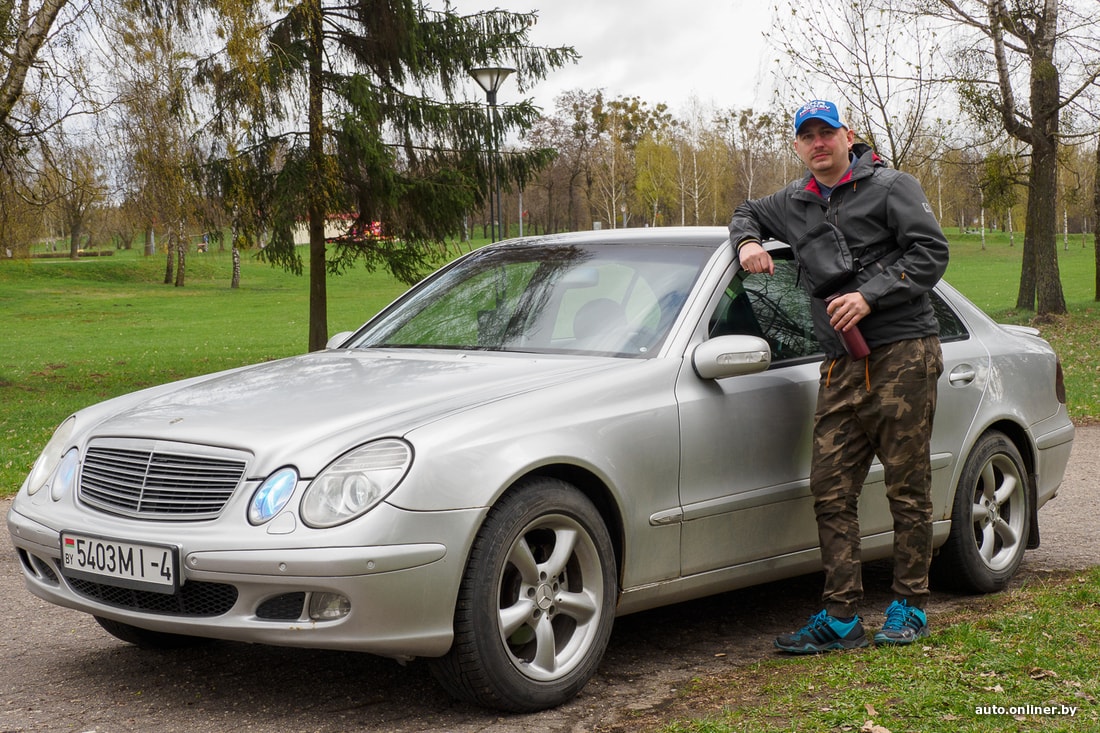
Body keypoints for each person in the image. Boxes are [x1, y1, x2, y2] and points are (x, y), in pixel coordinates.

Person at [728, 99, 950, 653]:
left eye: (827, 132)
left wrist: (869, 296)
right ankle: (843, 616)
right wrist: (749, 241)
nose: (818, 143)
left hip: (902, 353)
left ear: (848, 136)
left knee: (906, 485)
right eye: (807, 136)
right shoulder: (795, 200)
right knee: (830, 490)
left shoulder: (893, 186)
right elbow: (746, 210)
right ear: (798, 145)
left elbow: (932, 252)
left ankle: (909, 605)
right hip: (839, 364)